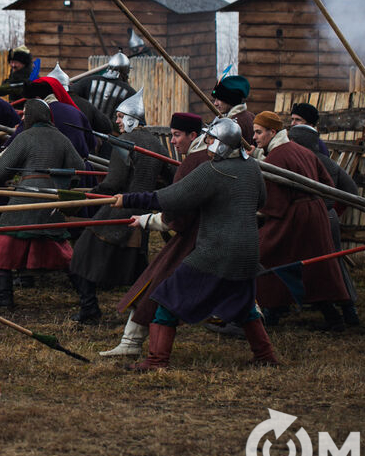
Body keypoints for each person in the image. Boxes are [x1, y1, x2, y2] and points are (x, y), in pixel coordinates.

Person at [115, 117, 277, 370]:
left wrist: (127, 200)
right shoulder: (252, 168)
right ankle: (266, 356)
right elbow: (260, 201)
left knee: (167, 299)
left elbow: (169, 198)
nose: (207, 144)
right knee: (244, 306)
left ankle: (157, 360)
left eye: (211, 140)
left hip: (216, 251)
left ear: (221, 144)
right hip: (247, 252)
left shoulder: (212, 171)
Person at [100, 112, 207, 357]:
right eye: (171, 135)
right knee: (154, 284)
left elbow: (177, 209)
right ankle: (131, 342)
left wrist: (150, 220)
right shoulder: (202, 158)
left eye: (178, 135)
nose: (172, 141)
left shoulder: (195, 162)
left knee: (157, 288)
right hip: (200, 235)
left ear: (193, 135)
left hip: (197, 239)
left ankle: (141, 348)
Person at [67, 91, 166, 325]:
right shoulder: (156, 144)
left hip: (120, 208)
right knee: (137, 267)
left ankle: (89, 308)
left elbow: (113, 183)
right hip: (143, 214)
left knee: (81, 256)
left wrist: (89, 196)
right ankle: (151, 312)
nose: (118, 122)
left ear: (133, 119)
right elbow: (168, 179)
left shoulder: (124, 144)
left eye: (121, 117)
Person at [0, 99, 85, 308]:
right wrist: (61, 184)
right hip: (50, 198)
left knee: (4, 242)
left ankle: (4, 297)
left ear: (34, 116)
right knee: (61, 249)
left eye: (25, 114)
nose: (23, 118)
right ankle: (88, 299)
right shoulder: (61, 138)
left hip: (26, 195)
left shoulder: (26, 137)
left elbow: (3, 167)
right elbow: (78, 167)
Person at [252, 111, 349, 330]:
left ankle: (271, 311)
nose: (255, 138)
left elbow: (273, 201)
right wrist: (316, 208)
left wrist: (257, 213)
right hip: (313, 214)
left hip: (292, 216)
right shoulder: (301, 151)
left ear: (272, 132)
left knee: (267, 255)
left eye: (258, 132)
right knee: (314, 267)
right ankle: (333, 317)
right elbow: (327, 185)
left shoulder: (276, 157)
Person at [288, 124, 360, 326]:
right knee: (332, 263)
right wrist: (334, 211)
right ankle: (346, 310)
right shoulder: (329, 163)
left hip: (308, 218)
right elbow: (351, 191)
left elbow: (350, 192)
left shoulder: (296, 160)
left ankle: (336, 310)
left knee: (313, 265)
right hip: (328, 218)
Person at [69, 50, 135, 121]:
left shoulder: (88, 81)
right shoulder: (130, 92)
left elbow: (69, 93)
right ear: (125, 72)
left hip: (85, 126)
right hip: (111, 131)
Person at [211, 75, 255, 145]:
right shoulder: (251, 116)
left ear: (230, 99)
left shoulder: (233, 124)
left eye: (219, 99)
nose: (215, 103)